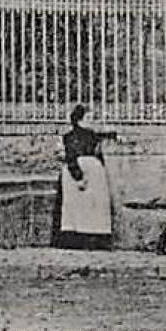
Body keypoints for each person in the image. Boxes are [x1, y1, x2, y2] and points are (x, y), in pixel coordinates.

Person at [56, 104, 112, 250]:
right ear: (79, 119)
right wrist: (78, 176)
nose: (92, 121)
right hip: (79, 172)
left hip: (94, 175)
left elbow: (99, 154)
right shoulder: (70, 137)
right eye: (88, 117)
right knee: (77, 206)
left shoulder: (93, 136)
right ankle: (77, 239)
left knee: (93, 206)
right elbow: (70, 157)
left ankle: (92, 238)